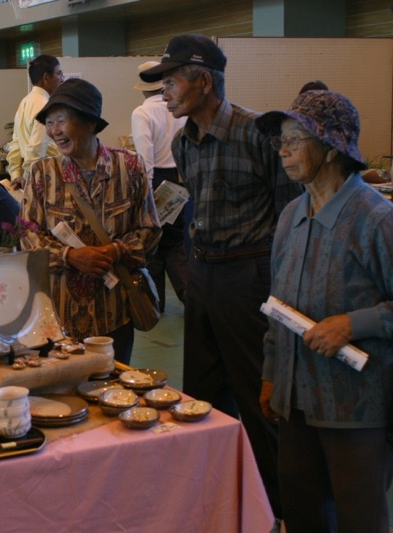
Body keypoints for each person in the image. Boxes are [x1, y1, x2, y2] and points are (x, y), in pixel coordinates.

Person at [139, 34, 302, 517]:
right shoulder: (183, 143)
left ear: (204, 82)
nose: (164, 93)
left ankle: (276, 510)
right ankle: (218, 503)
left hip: (250, 277)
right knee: (202, 397)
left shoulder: (259, 135)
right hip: (203, 275)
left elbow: (290, 219)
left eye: (171, 82)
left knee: (258, 400)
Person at [257, 90, 393, 532]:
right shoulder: (290, 216)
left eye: (295, 140)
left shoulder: (375, 218)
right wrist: (271, 376)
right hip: (295, 402)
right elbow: (278, 308)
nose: (283, 151)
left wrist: (353, 324)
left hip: (356, 407)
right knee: (303, 513)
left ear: (333, 147)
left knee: (359, 518)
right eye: (281, 140)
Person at [21, 78, 161, 364]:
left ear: (90, 123)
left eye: (62, 121)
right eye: (49, 122)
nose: (54, 131)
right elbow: (27, 236)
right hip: (58, 315)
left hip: (115, 311)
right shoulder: (41, 173)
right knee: (63, 384)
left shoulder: (129, 167)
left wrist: (116, 250)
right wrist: (69, 256)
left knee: (112, 379)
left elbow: (151, 230)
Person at [131, 60, 188, 310]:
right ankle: (189, 297)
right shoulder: (179, 108)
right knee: (176, 243)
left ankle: (156, 302)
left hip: (155, 180)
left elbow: (145, 157)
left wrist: (146, 192)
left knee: (152, 243)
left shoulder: (142, 113)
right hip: (181, 180)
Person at [5, 55, 64, 187]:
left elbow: (15, 143)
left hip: (34, 178)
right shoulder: (44, 106)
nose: (62, 78)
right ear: (46, 77)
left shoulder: (25, 102)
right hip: (44, 180)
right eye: (59, 74)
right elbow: (37, 148)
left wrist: (16, 175)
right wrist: (28, 179)